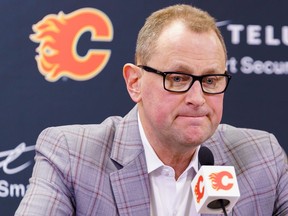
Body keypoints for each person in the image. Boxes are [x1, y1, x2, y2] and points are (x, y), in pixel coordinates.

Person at [15, 4, 288, 216]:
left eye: (210, 80)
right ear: (135, 83)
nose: (198, 98)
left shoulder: (263, 157)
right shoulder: (71, 156)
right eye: (178, 78)